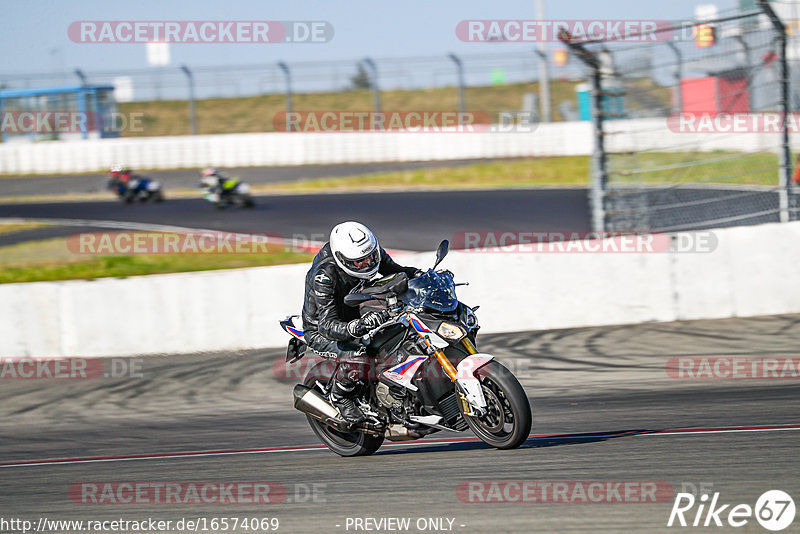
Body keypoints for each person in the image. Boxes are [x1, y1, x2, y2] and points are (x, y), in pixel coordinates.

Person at [302, 221, 421, 423]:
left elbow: (396, 271)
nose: (367, 264)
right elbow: (327, 325)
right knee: (358, 354)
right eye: (360, 262)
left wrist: (423, 276)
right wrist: (357, 327)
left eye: (370, 257)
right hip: (323, 328)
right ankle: (341, 396)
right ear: (343, 260)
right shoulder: (324, 276)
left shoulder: (367, 252)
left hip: (359, 309)